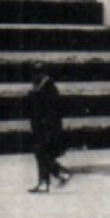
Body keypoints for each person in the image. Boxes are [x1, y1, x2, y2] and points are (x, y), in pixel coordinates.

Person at [27, 63, 71, 193]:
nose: (33, 77)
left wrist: (48, 126)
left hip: (47, 128)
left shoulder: (49, 89)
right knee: (41, 152)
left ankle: (58, 174)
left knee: (41, 152)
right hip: (40, 126)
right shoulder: (40, 87)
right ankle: (46, 181)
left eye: (35, 73)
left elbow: (53, 110)